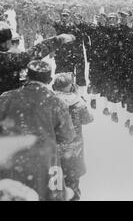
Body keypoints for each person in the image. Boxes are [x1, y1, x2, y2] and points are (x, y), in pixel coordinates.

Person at [0, 61, 76, 201]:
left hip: (10, 160)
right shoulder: (57, 102)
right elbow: (68, 136)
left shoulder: (6, 98)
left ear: (27, 77)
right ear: (49, 80)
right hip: (45, 164)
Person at [0, 21, 75, 95]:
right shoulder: (6, 60)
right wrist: (58, 40)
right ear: (5, 42)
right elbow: (31, 55)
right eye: (11, 41)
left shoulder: (6, 59)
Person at [52, 73, 94, 201]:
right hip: (75, 148)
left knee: (56, 179)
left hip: (56, 147)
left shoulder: (50, 102)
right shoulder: (78, 102)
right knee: (73, 179)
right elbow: (88, 119)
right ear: (70, 86)